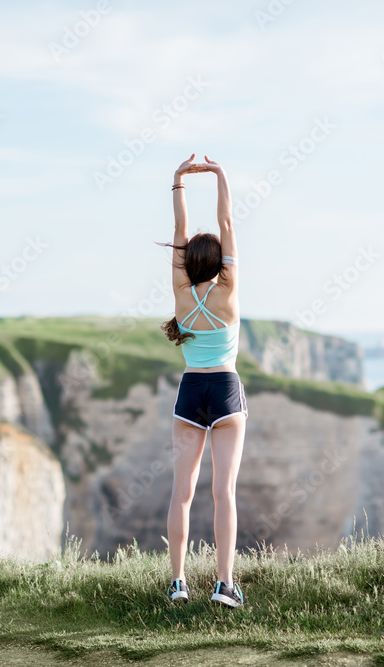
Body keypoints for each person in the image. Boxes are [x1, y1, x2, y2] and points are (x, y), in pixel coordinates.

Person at [155, 154, 247, 608]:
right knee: (223, 491)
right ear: (219, 262)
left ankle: (178, 582)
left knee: (183, 493)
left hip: (191, 392)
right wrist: (220, 174)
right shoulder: (227, 292)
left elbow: (179, 233)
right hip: (226, 392)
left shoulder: (180, 294)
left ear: (189, 260)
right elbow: (226, 219)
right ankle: (224, 585)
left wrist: (178, 181)